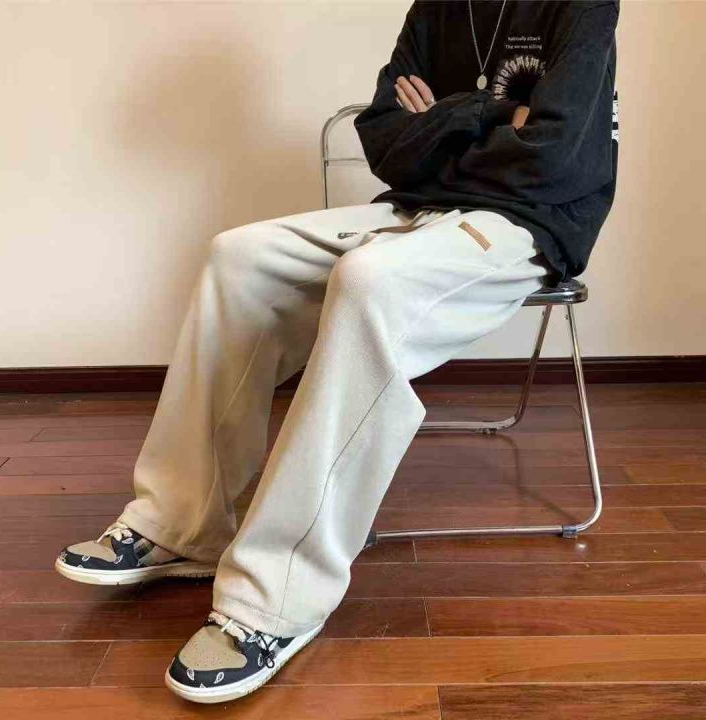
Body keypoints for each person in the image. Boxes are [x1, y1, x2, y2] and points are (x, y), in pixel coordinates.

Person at [54, 0, 619, 704]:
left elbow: (558, 155)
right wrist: (494, 113)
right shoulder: (437, 7)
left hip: (528, 224)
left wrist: (439, 120)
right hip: (417, 206)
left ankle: (276, 594)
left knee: (369, 279)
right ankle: (182, 521)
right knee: (239, 256)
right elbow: (382, 139)